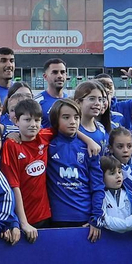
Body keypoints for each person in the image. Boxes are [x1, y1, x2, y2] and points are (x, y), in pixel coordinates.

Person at [45, 98, 104, 238]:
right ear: (55, 120)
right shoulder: (48, 145)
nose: (73, 121)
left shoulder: (90, 147)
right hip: (56, 218)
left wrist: (96, 216)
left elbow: (97, 185)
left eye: (76, 117)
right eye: (66, 117)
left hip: (85, 218)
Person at [0, 98, 51, 239]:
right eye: (27, 120)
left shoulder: (44, 136)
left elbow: (66, 129)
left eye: (37, 120)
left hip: (44, 215)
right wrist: (23, 222)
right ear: (16, 121)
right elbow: (13, 186)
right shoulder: (11, 145)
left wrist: (88, 141)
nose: (33, 124)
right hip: (22, 220)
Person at [98, 155, 132, 233]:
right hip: (107, 241)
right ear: (102, 177)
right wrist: (131, 222)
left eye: (119, 172)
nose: (118, 176)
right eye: (112, 173)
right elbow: (105, 221)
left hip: (130, 241)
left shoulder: (130, 195)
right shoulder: (101, 197)